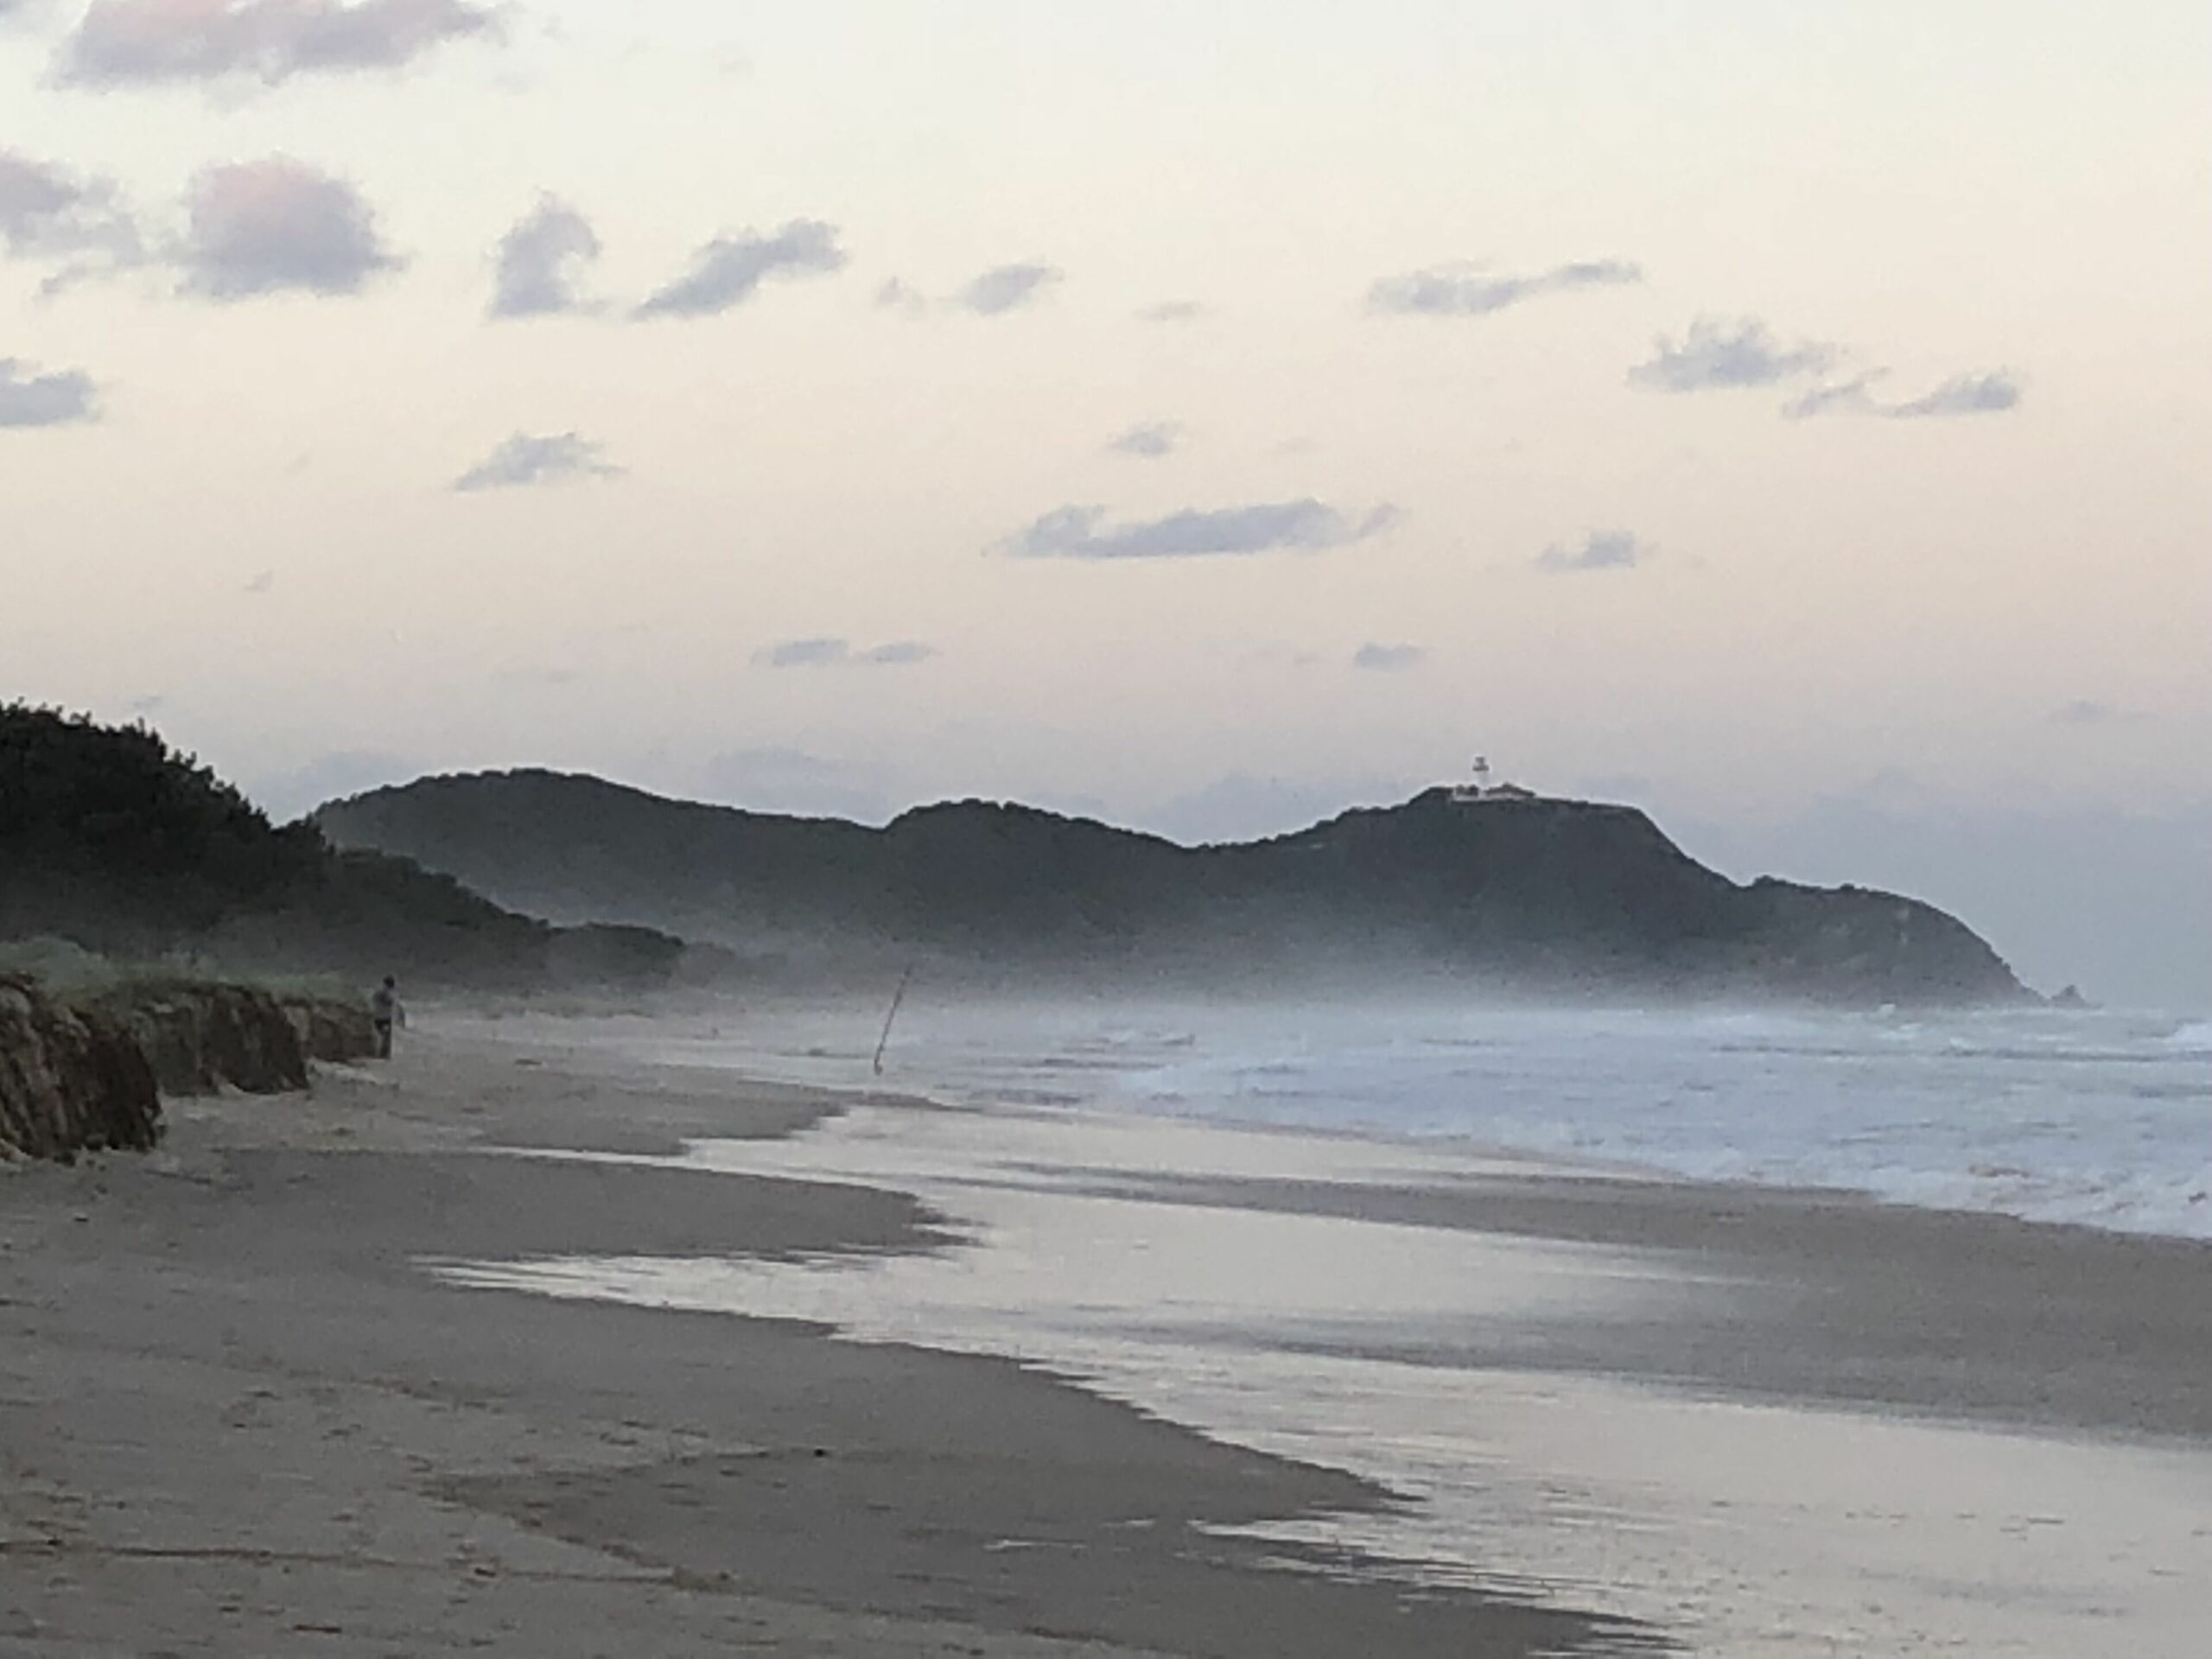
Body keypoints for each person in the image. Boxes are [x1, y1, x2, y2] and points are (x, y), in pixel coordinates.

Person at [369, 976, 402, 1059]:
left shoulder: (377, 991)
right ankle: (383, 1054)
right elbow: (390, 1001)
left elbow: (372, 1001)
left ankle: (378, 1053)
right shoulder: (386, 992)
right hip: (385, 1017)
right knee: (385, 1037)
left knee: (379, 1035)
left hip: (377, 1016)